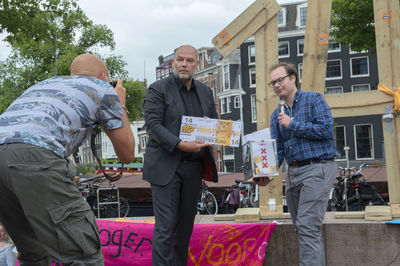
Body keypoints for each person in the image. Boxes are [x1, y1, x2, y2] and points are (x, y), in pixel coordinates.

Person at [0, 54, 135, 266]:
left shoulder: (45, 85)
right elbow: (127, 154)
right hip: (34, 157)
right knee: (83, 254)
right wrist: (120, 104)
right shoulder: (102, 89)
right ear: (103, 76)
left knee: (34, 253)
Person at [256, 62, 337, 266]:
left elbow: (326, 130)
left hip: (318, 167)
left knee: (308, 226)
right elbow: (279, 151)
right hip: (293, 173)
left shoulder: (313, 99)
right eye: (272, 82)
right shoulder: (276, 115)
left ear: (293, 78)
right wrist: (267, 173)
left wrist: (293, 124)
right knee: (302, 228)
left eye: (280, 80)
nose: (276, 85)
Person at [143, 44, 218, 265]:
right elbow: (153, 126)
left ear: (196, 64)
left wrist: (211, 130)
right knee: (165, 229)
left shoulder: (205, 92)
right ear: (173, 63)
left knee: (185, 230)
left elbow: (213, 125)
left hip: (194, 167)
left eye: (189, 60)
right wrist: (179, 144)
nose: (184, 64)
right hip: (166, 166)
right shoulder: (157, 89)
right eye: (179, 59)